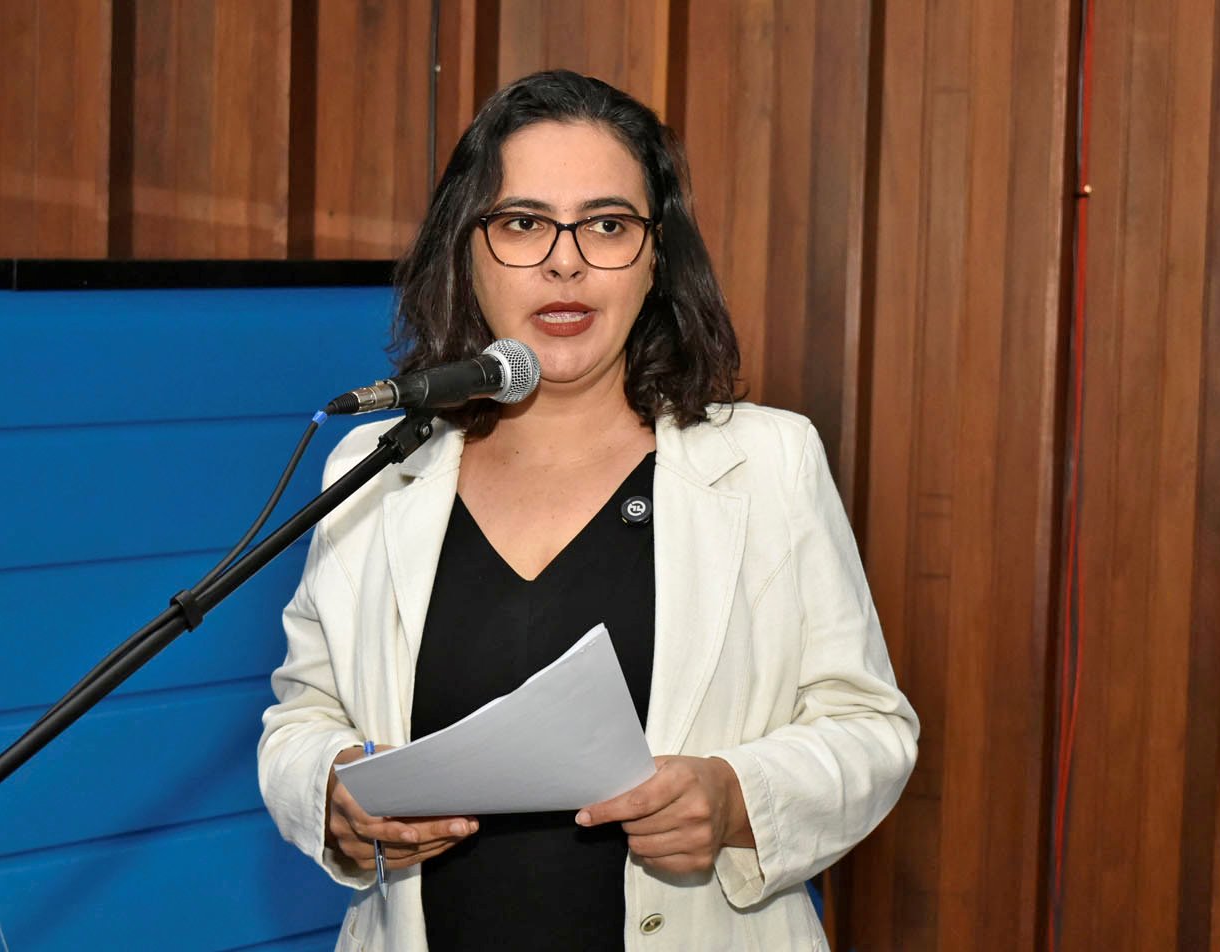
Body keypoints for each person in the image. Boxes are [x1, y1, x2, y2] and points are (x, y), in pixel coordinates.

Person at [258, 69, 918, 951]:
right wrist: (332, 789)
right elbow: (302, 716)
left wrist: (736, 798)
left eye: (607, 225)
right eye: (523, 223)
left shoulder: (769, 463)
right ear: (466, 250)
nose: (564, 261)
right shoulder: (373, 469)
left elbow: (871, 728)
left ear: (655, 259)